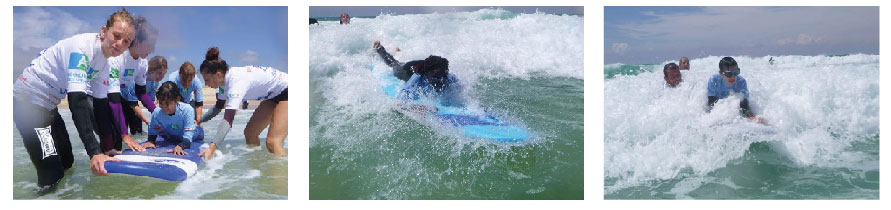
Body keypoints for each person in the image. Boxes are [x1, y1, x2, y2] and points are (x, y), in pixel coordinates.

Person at [12, 8, 134, 194]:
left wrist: (106, 148)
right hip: (28, 102)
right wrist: (94, 152)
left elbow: (100, 108)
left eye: (126, 41)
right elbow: (77, 101)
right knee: (52, 171)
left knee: (67, 162)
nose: (119, 44)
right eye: (116, 36)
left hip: (50, 107)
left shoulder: (105, 63)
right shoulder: (82, 48)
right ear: (103, 31)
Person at [197, 47, 288, 159]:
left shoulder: (236, 83)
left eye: (207, 79)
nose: (206, 84)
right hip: (274, 95)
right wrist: (199, 120)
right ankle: (258, 169)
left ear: (218, 75)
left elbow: (228, 119)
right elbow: (218, 107)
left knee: (273, 142)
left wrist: (212, 148)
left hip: (288, 90)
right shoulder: (223, 83)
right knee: (250, 134)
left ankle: (283, 175)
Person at [96, 16, 161, 155]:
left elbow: (141, 93)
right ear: (137, 42)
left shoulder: (142, 63)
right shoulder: (117, 57)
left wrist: (158, 113)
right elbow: (113, 98)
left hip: (114, 97)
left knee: (117, 146)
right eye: (150, 44)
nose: (153, 49)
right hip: (95, 98)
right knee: (112, 143)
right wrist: (125, 135)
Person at [373, 40, 463, 106]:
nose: (439, 82)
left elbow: (459, 88)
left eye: (442, 78)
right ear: (427, 75)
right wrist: (416, 107)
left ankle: (398, 50)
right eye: (435, 79)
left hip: (428, 65)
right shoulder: (417, 78)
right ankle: (379, 48)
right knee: (394, 64)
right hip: (408, 69)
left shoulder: (449, 77)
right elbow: (400, 101)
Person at [140, 82, 200, 155]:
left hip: (195, 134)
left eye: (167, 103)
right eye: (161, 103)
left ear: (177, 99)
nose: (164, 107)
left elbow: (188, 137)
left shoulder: (187, 110)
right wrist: (151, 141)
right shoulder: (157, 113)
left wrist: (181, 146)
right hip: (172, 134)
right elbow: (152, 130)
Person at [706, 57, 764, 123]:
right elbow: (711, 103)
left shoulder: (741, 82)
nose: (733, 77)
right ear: (721, 73)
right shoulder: (714, 80)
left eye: (736, 73)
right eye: (729, 74)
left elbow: (744, 104)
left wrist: (751, 116)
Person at [163, 61, 204, 126]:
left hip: (189, 101)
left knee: (199, 124)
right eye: (184, 80)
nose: (186, 84)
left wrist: (198, 121)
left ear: (193, 78)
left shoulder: (197, 82)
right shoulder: (172, 80)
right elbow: (169, 102)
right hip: (174, 101)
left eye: (189, 81)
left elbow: (199, 104)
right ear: (180, 75)